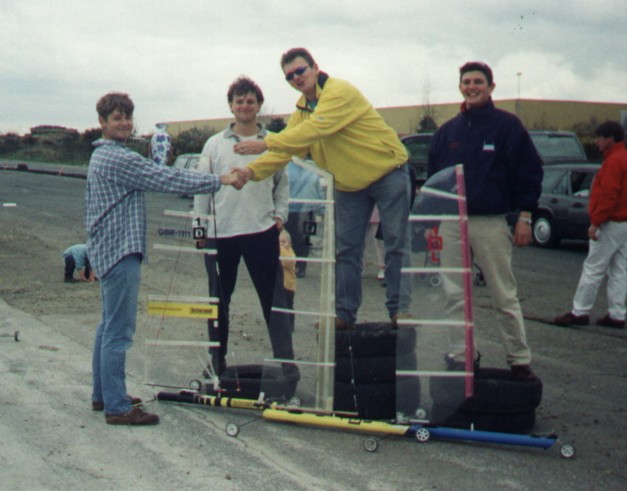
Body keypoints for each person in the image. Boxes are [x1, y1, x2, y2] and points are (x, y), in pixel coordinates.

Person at [85, 92, 242, 426]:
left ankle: (104, 395)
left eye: (127, 117)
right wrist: (221, 179)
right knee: (119, 330)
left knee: (108, 325)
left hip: (108, 249)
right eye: (116, 118)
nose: (124, 123)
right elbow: (167, 178)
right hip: (118, 251)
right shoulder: (117, 159)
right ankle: (116, 406)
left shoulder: (105, 155)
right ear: (102, 123)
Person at [233, 47, 412, 329]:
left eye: (300, 71)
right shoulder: (302, 109)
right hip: (349, 185)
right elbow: (288, 149)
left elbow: (314, 130)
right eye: (289, 76)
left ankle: (400, 310)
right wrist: (249, 171)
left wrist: (266, 141)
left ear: (315, 67)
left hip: (388, 173)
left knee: (395, 243)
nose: (296, 78)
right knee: (345, 251)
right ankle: (344, 314)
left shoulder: (338, 93)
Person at [427, 61, 543, 381]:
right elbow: (433, 179)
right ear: (460, 86)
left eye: (479, 81)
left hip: (490, 222)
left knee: (503, 294)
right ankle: (460, 355)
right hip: (451, 223)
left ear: (491, 87)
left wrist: (525, 216)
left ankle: (519, 360)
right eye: (466, 82)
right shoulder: (447, 131)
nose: (472, 86)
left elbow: (530, 172)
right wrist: (434, 222)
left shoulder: (508, 126)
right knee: (454, 294)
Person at [193, 76, 294, 376]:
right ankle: (217, 362)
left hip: (261, 233)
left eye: (251, 101)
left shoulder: (272, 142)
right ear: (231, 106)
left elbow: (282, 185)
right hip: (221, 234)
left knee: (275, 300)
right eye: (239, 101)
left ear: (259, 105)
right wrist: (200, 229)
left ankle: (287, 363)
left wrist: (280, 217)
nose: (245, 105)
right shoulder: (214, 144)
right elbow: (202, 188)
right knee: (218, 302)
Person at [554, 121, 627, 329]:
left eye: (599, 138)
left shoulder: (613, 162)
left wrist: (596, 222)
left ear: (610, 139)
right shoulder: (623, 158)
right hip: (624, 223)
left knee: (593, 267)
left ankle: (580, 311)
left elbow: (608, 195)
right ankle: (617, 314)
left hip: (610, 223)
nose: (596, 142)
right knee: (619, 269)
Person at [285, 160, 324, 278]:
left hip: (309, 209)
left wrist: (321, 209)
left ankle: (301, 266)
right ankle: (289, 266)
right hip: (290, 209)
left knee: (306, 240)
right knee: (290, 239)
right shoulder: (286, 167)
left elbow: (318, 189)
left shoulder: (313, 167)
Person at [279, 229, 297, 331]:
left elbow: (286, 262)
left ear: (289, 243)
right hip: (280, 284)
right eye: (279, 242)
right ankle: (280, 323)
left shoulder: (290, 253)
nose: (281, 244)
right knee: (279, 304)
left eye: (284, 242)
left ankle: (290, 324)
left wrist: (281, 250)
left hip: (289, 285)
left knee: (289, 305)